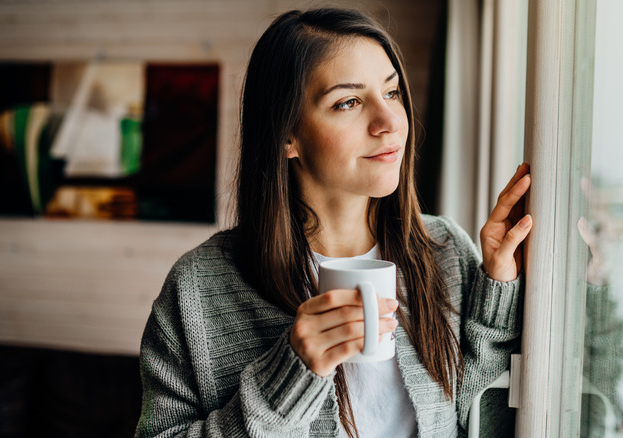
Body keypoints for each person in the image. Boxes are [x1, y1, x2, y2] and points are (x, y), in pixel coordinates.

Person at [135, 8, 532, 438]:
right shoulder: (198, 288)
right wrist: (289, 375)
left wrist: (498, 286)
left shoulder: (445, 250)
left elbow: (478, 412)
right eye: (349, 102)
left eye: (393, 93)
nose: (389, 123)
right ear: (287, 134)